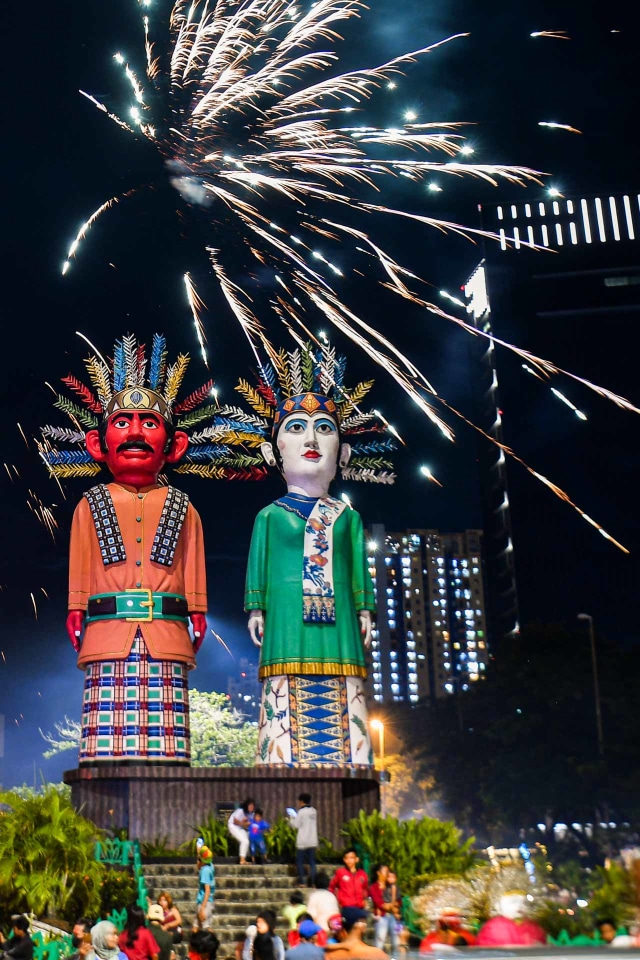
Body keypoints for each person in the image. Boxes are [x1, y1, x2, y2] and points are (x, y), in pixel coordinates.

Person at [43, 334, 209, 764]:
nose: (135, 432)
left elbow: (192, 565)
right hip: (107, 630)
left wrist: (197, 611)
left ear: (174, 445)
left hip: (167, 630)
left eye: (149, 423)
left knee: (167, 745)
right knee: (105, 747)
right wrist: (75, 607)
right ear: (97, 445)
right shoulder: (89, 504)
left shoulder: (184, 506)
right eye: (123, 423)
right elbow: (80, 566)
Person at [243, 344, 397, 767]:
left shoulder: (347, 517)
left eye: (325, 428)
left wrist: (364, 608)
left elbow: (357, 572)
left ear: (343, 454)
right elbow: (258, 565)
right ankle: (280, 757)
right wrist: (256, 608)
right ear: (272, 453)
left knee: (344, 679)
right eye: (295, 428)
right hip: (286, 618)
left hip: (340, 621)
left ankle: (351, 755)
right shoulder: (269, 517)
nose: (310, 439)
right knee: (283, 683)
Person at [476, 892, 546, 947]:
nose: (519, 906)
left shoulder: (532, 926)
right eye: (514, 902)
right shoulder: (493, 927)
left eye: (524, 902)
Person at [329, 849, 370, 929]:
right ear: (344, 860)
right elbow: (332, 887)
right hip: (347, 907)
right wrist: (337, 901)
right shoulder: (340, 873)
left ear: (356, 859)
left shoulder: (362, 874)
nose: (349, 860)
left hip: (359, 907)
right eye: (347, 858)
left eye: (351, 858)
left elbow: (365, 889)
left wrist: (364, 900)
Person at [289, 794, 318, 888]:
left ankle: (302, 882)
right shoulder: (314, 811)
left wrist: (291, 819)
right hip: (312, 840)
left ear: (301, 801)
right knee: (312, 862)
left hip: (303, 841)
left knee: (300, 862)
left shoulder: (301, 812)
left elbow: (296, 825)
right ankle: (313, 882)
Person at [369, 864, 398, 954]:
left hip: (393, 917)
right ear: (378, 873)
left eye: (388, 871)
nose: (387, 874)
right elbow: (380, 904)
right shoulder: (373, 887)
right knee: (380, 941)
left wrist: (391, 905)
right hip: (381, 917)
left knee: (397, 940)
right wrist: (392, 905)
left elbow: (399, 902)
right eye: (385, 871)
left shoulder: (391, 887)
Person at [228, 799, 255, 865]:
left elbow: (250, 824)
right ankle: (242, 860)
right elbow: (235, 821)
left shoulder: (251, 814)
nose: (251, 808)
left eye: (252, 806)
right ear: (246, 806)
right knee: (245, 841)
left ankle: (245, 858)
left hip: (240, 828)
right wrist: (244, 823)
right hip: (233, 826)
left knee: (248, 839)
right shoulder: (240, 811)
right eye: (250, 806)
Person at [195, 843, 215, 930]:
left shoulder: (205, 871)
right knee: (196, 926)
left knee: (206, 927)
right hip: (206, 901)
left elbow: (207, 890)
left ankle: (212, 943)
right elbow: (199, 866)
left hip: (204, 901)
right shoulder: (210, 866)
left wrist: (202, 908)